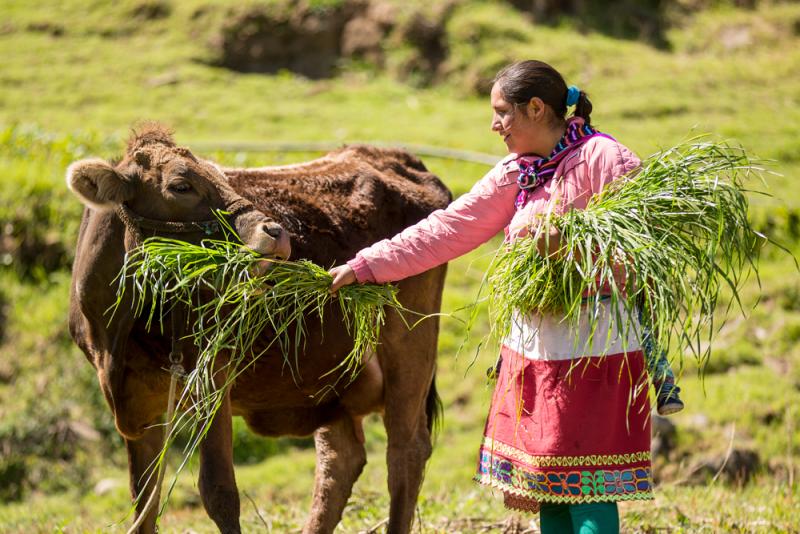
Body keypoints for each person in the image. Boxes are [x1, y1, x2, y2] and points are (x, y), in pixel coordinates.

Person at [329, 60, 681, 533]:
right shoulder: (519, 173)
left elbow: (644, 254)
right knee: (551, 484)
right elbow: (446, 230)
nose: (494, 125)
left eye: (502, 113)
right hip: (535, 349)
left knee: (591, 486)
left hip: (597, 350)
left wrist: (569, 250)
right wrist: (366, 265)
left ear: (535, 108)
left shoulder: (605, 160)